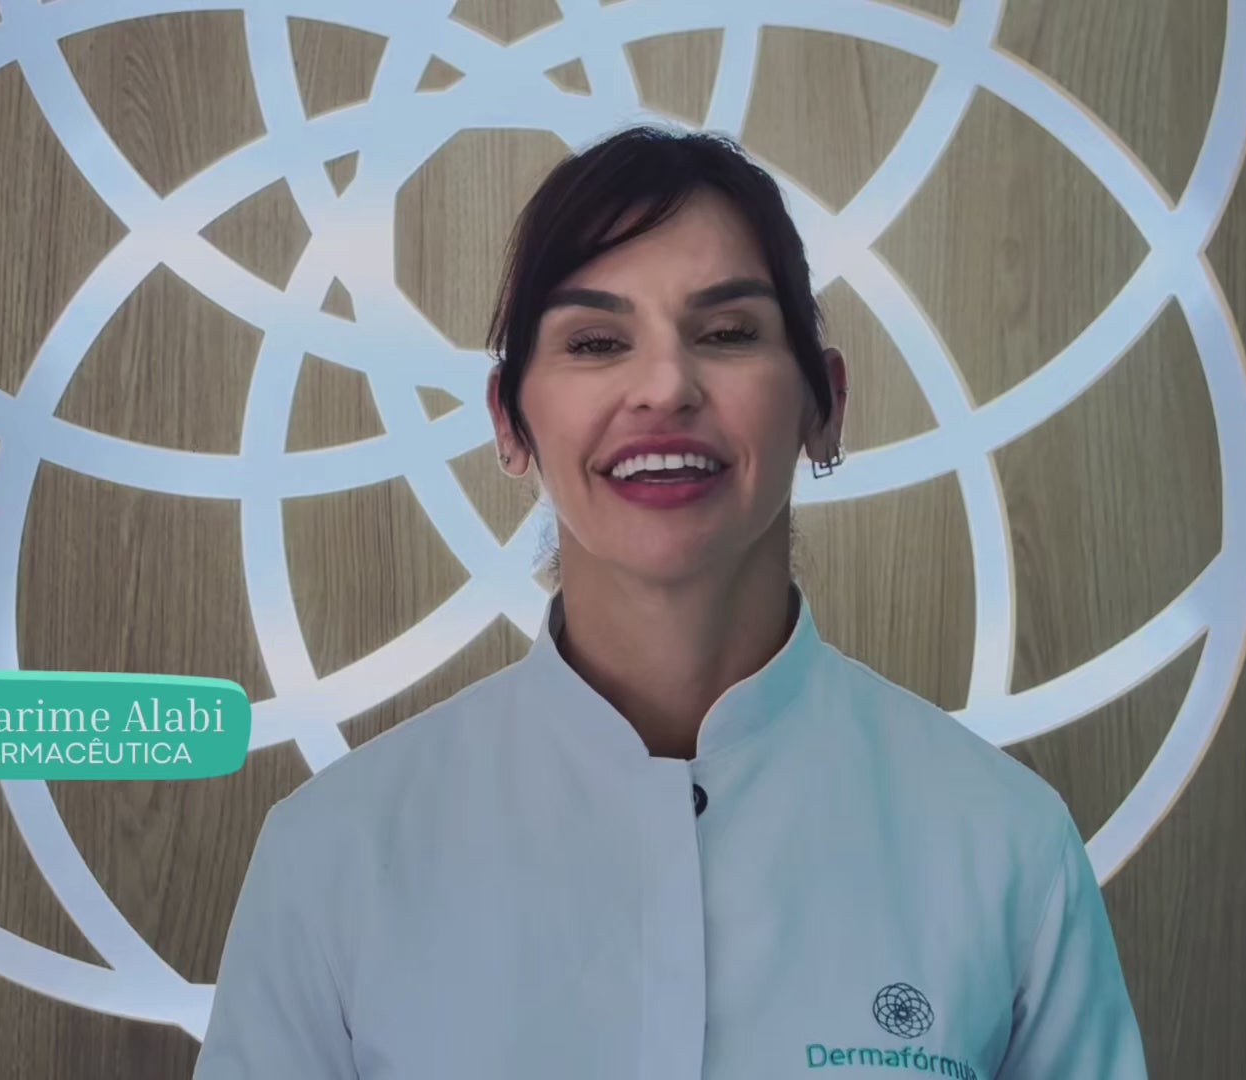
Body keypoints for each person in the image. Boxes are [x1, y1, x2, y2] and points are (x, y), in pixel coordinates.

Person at [194, 125, 1147, 1079]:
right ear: (509, 421)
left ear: (824, 405)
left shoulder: (1007, 846)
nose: (664, 387)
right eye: (596, 342)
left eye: (727, 333)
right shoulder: (332, 857)